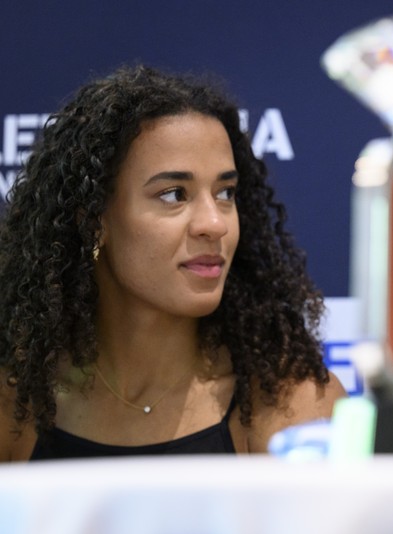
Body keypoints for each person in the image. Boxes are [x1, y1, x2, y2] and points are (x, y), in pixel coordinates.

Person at [0, 65, 346, 460]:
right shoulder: (14, 407)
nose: (214, 224)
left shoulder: (293, 407)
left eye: (226, 193)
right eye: (173, 195)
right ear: (93, 220)